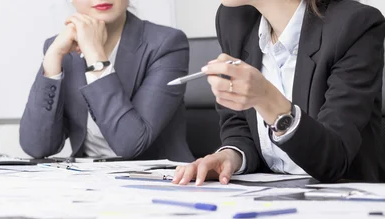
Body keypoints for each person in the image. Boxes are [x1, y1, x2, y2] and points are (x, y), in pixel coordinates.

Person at [173, 0, 385, 184]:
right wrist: (231, 157)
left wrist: (267, 98)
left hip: (343, 203)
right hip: (269, 199)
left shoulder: (355, 25)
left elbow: (333, 160)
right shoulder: (234, 19)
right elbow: (238, 126)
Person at [19, 0, 193, 161]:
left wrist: (94, 55)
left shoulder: (166, 44)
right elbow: (37, 147)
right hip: (89, 180)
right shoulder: (62, 47)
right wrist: (53, 58)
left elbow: (130, 143)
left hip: (157, 181)